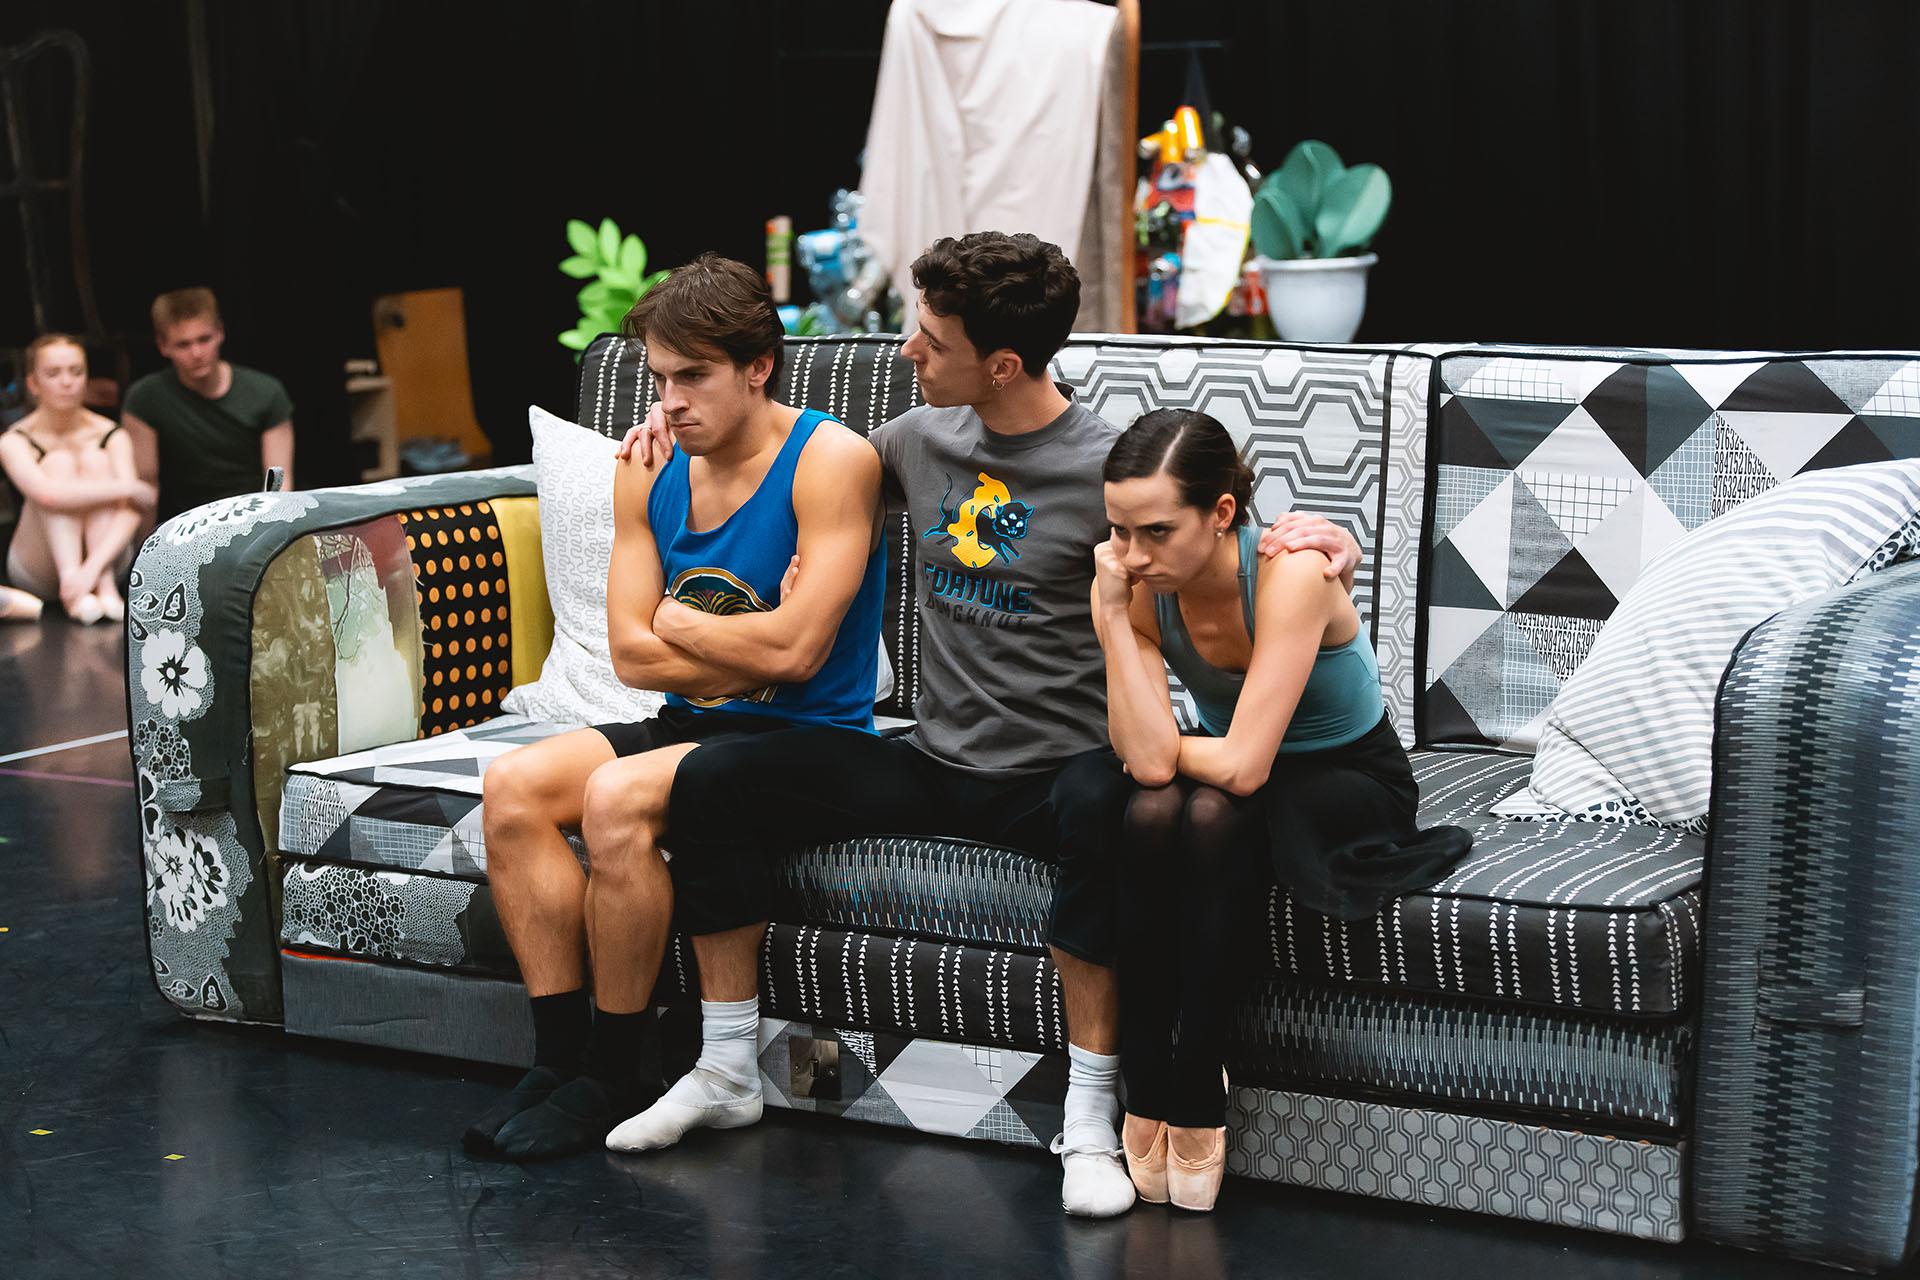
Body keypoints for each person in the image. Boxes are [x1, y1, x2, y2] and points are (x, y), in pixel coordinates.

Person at [615, 232, 1363, 1218]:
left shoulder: (1107, 467)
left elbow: (1213, 526)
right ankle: (724, 1070)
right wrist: (666, 431)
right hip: (932, 756)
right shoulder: (914, 440)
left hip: (1058, 767)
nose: (906, 353)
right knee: (709, 780)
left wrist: (1320, 536)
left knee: (1118, 805)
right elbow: (793, 462)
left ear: (1000, 363)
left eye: (928, 338)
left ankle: (1089, 1117)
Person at [464, 254, 886, 1161]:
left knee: (615, 799)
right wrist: (736, 644)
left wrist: (676, 621)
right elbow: (629, 653)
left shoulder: (831, 459)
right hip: (697, 725)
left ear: (757, 367)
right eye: (661, 377)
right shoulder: (646, 469)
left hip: (814, 738)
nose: (672, 400)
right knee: (514, 786)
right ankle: (561, 1058)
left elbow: (800, 655)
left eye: (694, 375)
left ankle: (620, 1070)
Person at [1093, 409, 1473, 1212]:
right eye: (1118, 531)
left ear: (1222, 513)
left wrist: (1163, 751)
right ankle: (1145, 1073)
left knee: (1202, 809)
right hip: (1245, 767)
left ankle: (1197, 1075)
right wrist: (1110, 626)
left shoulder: (1291, 571)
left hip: (1345, 778)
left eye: (1156, 531)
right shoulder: (1137, 586)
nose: (1132, 555)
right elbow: (1154, 755)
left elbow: (1222, 762)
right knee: (1152, 813)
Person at [0, 334, 155, 623]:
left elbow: (131, 511)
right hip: (39, 564)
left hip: (104, 561)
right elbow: (47, 494)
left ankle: (101, 585)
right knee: (59, 464)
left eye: (76, 371)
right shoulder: (14, 439)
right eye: (53, 373)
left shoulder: (110, 433)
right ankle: (72, 583)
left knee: (95, 460)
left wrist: (92, 570)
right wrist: (127, 487)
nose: (67, 382)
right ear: (33, 383)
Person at [122, 288, 294, 522]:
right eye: (183, 344)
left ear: (220, 332)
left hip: (254, 516)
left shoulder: (265, 392)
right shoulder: (145, 398)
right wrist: (142, 552)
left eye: (204, 339)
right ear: (163, 345)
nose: (197, 353)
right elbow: (145, 487)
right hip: (185, 523)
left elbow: (279, 485)